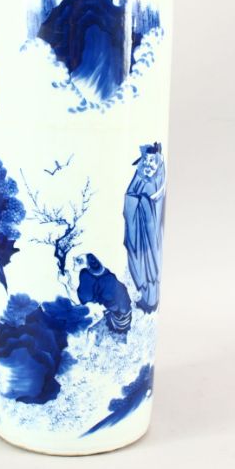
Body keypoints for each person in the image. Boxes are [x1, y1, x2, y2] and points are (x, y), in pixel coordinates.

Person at [123, 142, 166, 312]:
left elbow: (158, 203)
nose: (148, 165)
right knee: (140, 262)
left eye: (152, 161)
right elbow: (130, 196)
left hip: (152, 234)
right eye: (146, 161)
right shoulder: (139, 177)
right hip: (139, 232)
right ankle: (145, 297)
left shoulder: (160, 177)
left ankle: (151, 300)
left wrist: (146, 201)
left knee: (152, 261)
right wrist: (137, 200)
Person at [59, 253, 132, 334]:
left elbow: (77, 301)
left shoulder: (87, 276)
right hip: (122, 311)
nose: (73, 264)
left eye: (76, 262)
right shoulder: (102, 273)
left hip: (120, 319)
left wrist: (66, 283)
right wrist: (68, 282)